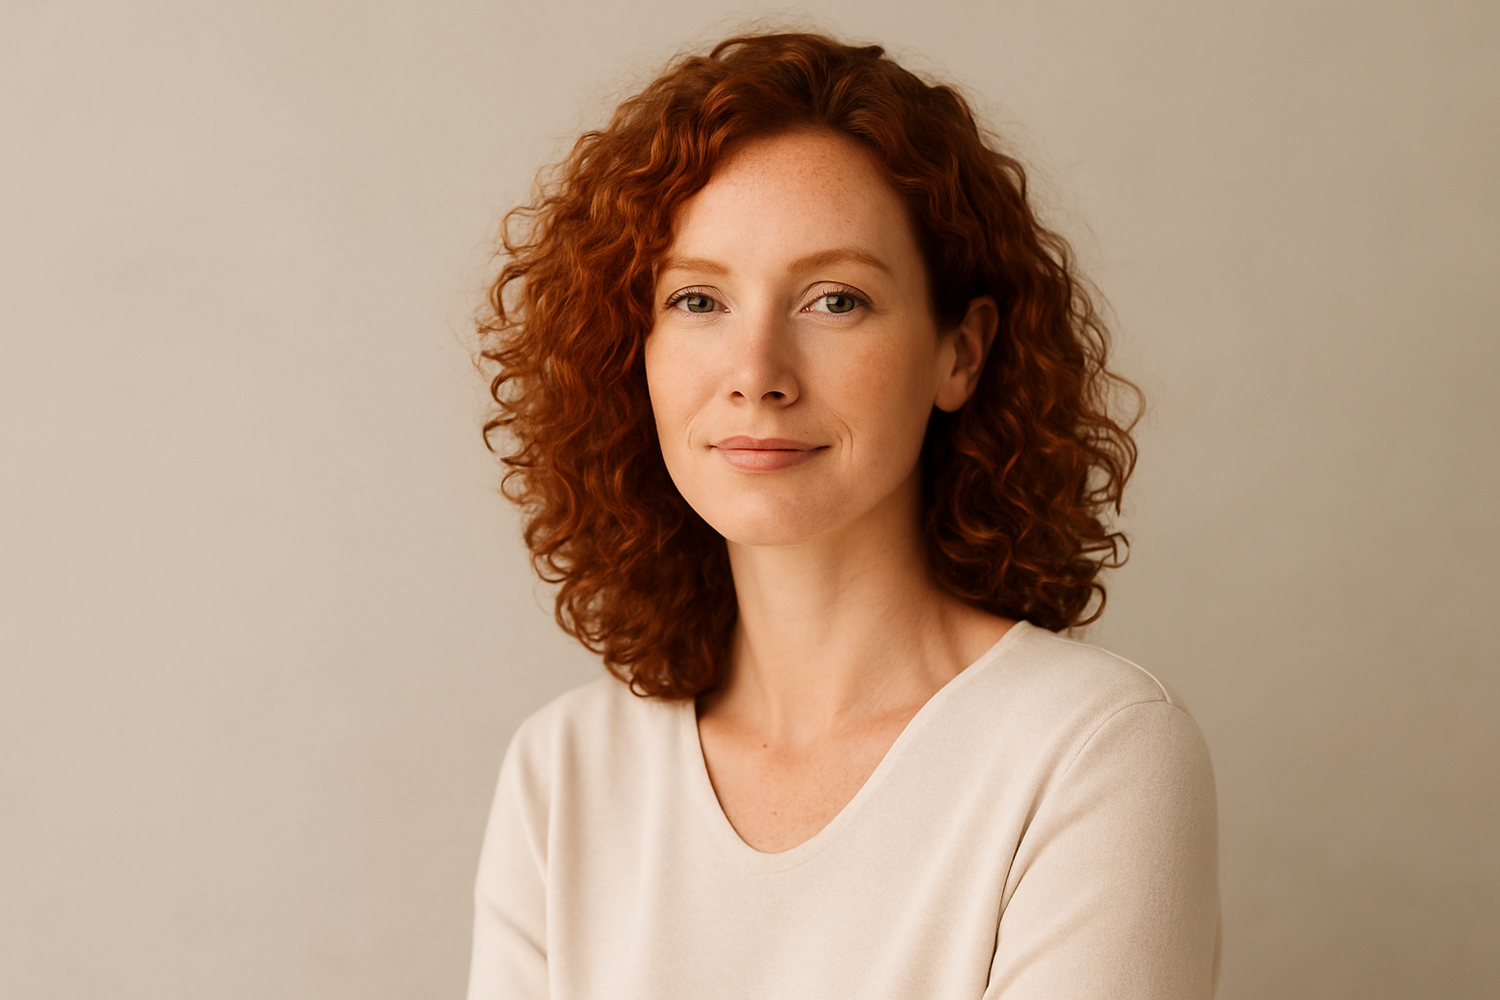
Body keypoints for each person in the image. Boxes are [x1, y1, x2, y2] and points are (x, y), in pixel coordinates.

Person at [469, 31, 1220, 1000]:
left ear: (961, 351)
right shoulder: (566, 770)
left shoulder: (1092, 749)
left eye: (835, 300)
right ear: (634, 349)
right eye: (698, 299)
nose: (756, 376)